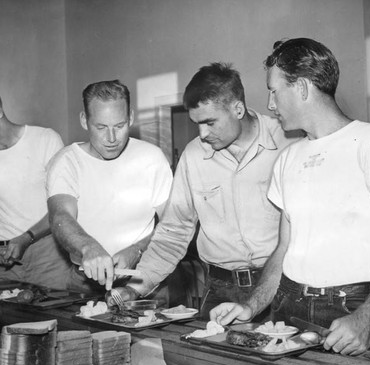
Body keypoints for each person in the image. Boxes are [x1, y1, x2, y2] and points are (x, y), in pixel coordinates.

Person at [210, 38, 370, 355]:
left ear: (301, 88)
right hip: (288, 307)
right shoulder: (288, 157)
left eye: (274, 90)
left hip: (351, 311)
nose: (270, 104)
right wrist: (251, 305)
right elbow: (285, 249)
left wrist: (367, 317)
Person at [114, 62, 300, 318]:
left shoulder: (289, 142)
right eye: (196, 124)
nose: (202, 134)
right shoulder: (193, 156)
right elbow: (173, 233)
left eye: (210, 122)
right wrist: (134, 288)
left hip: (281, 288)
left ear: (237, 108)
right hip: (220, 291)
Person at [46, 79, 173, 293]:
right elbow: (60, 217)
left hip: (144, 279)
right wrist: (88, 247)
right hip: (85, 283)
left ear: (131, 118)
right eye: (101, 127)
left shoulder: (152, 158)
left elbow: (173, 224)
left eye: (120, 126)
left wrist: (137, 250)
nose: (112, 138)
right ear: (84, 120)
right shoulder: (67, 162)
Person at [0, 83, 73, 289]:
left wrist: (26, 238)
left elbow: (63, 206)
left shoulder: (45, 140)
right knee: (2, 319)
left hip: (48, 255)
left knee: (53, 319)